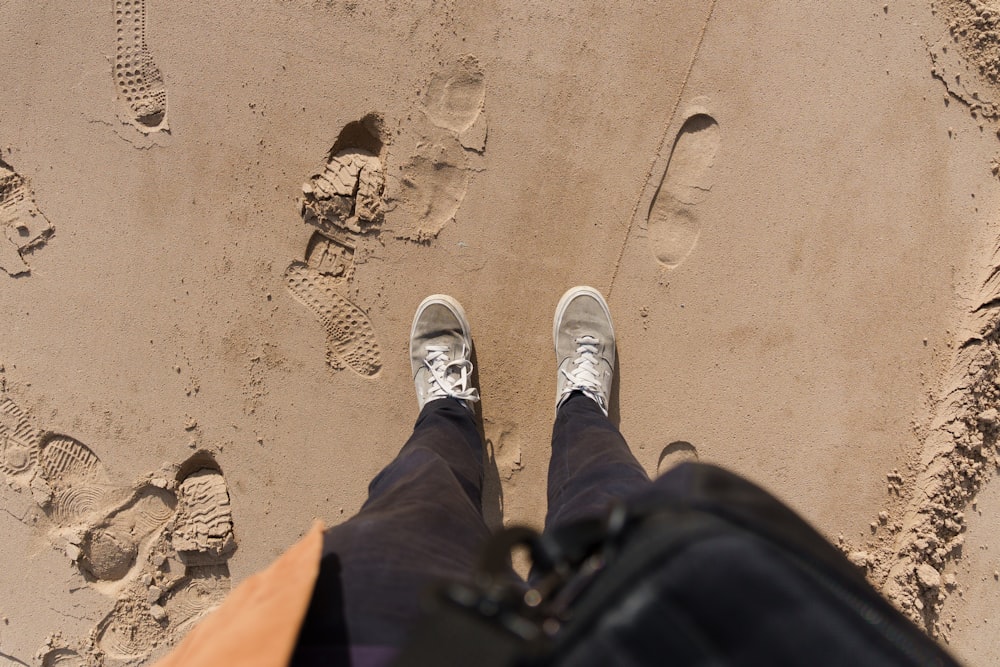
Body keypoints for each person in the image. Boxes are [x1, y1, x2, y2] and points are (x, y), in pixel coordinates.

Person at [155, 287, 961, 667]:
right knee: (615, 516)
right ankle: (580, 412)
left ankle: (453, 421)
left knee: (414, 507)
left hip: (335, 648)